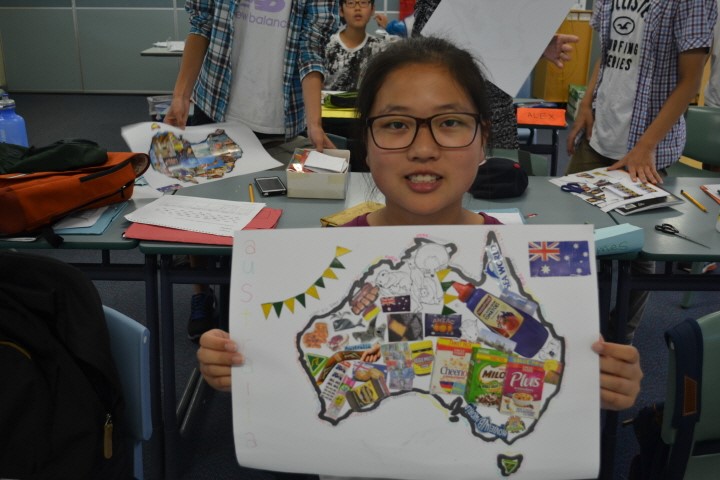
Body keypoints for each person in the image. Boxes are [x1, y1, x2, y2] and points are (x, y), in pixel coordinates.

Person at [198, 35, 643, 437]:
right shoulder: (327, 262)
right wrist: (239, 362)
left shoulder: (517, 264)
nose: (423, 149)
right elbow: (293, 372)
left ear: (483, 139)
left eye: (450, 122)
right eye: (396, 125)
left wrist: (601, 381)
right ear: (366, 143)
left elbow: (549, 372)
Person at [163, 0, 338, 340]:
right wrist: (181, 96)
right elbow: (201, 24)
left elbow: (311, 47)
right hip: (216, 103)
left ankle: (260, 298)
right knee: (200, 209)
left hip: (278, 116)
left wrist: (315, 124)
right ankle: (202, 293)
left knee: (276, 218)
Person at [566, 0, 717, 341]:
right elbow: (607, 55)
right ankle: (576, 325)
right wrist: (586, 104)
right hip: (599, 134)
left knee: (637, 249)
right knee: (572, 230)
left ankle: (621, 333)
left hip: (645, 149)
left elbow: (690, 81)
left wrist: (645, 146)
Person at [324, 0, 387, 92]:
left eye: (363, 2)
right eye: (351, 3)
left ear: (372, 10)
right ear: (341, 11)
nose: (357, 8)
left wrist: (387, 29)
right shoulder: (327, 45)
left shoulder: (379, 48)